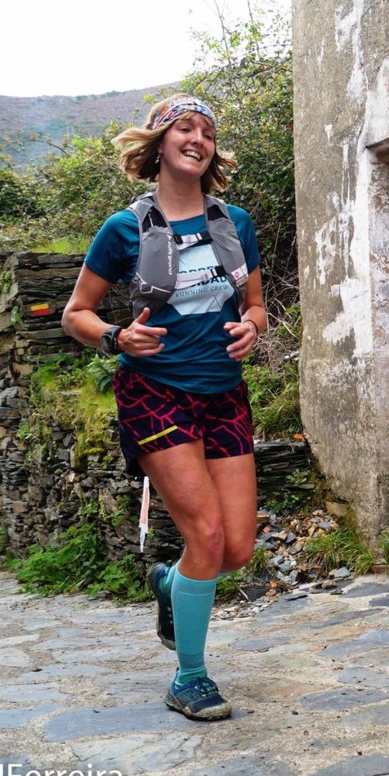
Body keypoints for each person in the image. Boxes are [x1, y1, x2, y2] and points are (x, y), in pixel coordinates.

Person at [62, 94, 265, 721]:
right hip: (155, 395)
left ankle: (170, 585)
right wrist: (116, 337)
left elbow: (254, 304)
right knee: (202, 533)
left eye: (206, 131)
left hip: (224, 393)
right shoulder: (125, 229)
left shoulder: (234, 222)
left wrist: (254, 325)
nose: (197, 138)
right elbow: (77, 314)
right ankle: (190, 677)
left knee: (236, 550)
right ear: (158, 145)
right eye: (185, 127)